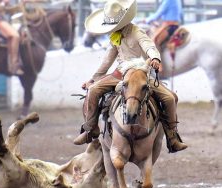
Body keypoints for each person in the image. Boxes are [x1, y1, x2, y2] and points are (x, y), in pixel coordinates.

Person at [73, 0, 187, 153]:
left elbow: (149, 46)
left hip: (139, 73)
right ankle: (90, 129)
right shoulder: (115, 36)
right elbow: (108, 59)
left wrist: (154, 57)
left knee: (170, 98)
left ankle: (172, 137)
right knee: (93, 90)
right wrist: (93, 79)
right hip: (120, 73)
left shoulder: (137, 31)